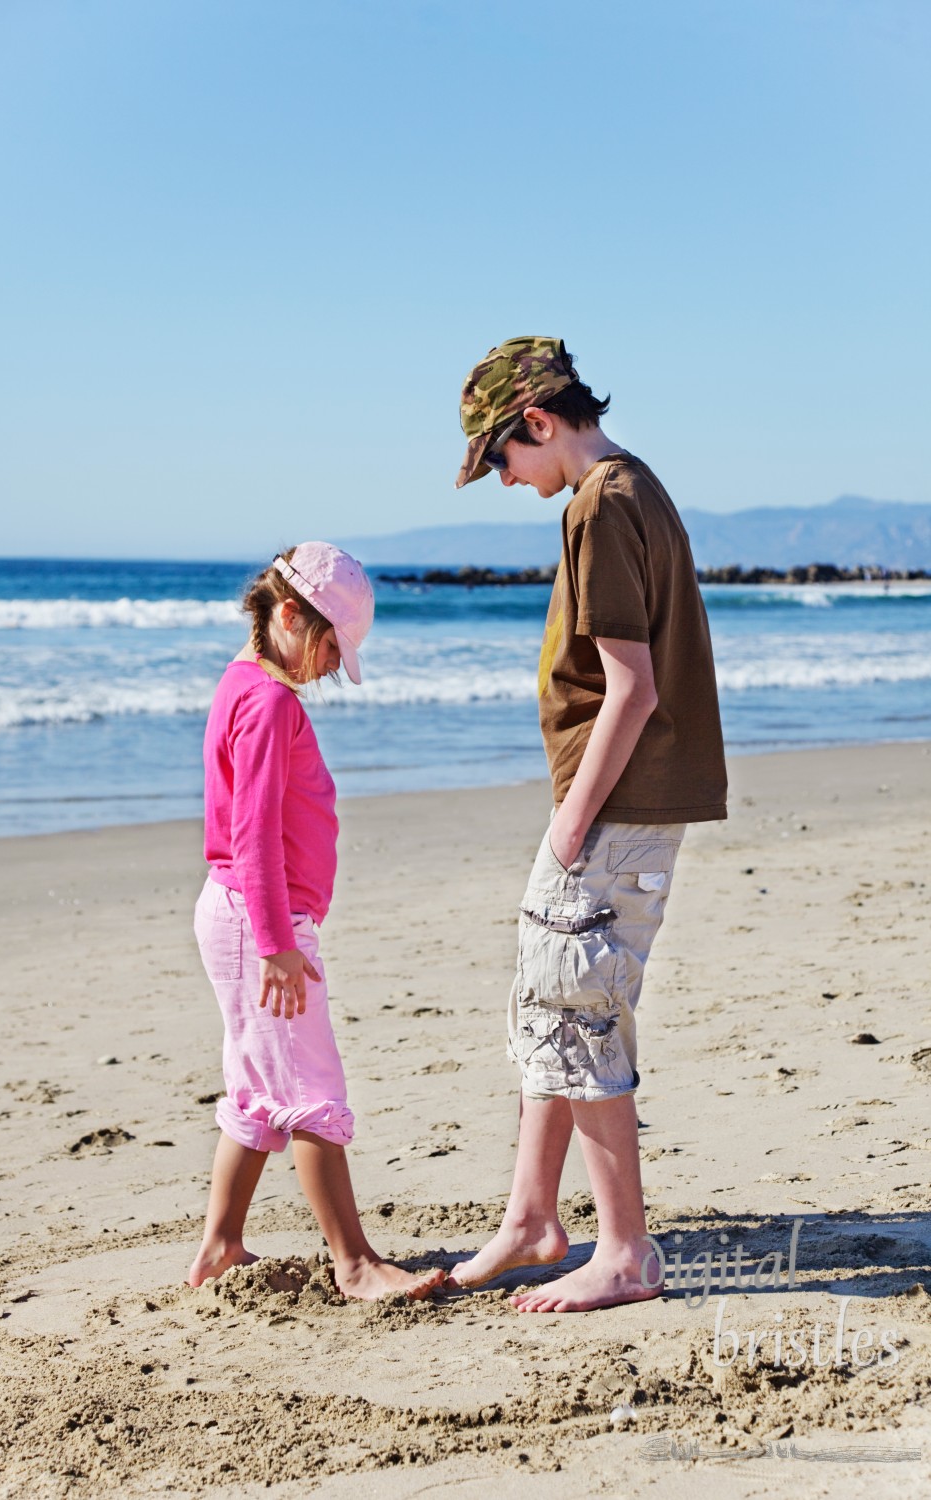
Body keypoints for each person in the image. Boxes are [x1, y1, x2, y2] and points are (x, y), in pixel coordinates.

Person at [448, 337, 727, 1312]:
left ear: (536, 423)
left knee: (579, 1004)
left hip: (612, 810)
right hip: (622, 807)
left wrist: (571, 819)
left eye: (499, 459)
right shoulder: (634, 484)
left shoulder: (599, 506)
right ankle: (531, 1219)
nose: (500, 480)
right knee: (547, 1002)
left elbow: (632, 688)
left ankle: (624, 1251)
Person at [187, 541, 444, 1301]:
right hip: (259, 921)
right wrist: (276, 944)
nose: (334, 664)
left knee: (255, 1091)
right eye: (333, 645)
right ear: (291, 615)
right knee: (309, 1084)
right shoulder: (268, 703)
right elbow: (254, 833)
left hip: (241, 915)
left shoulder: (243, 685)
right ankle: (355, 1262)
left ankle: (221, 1246)